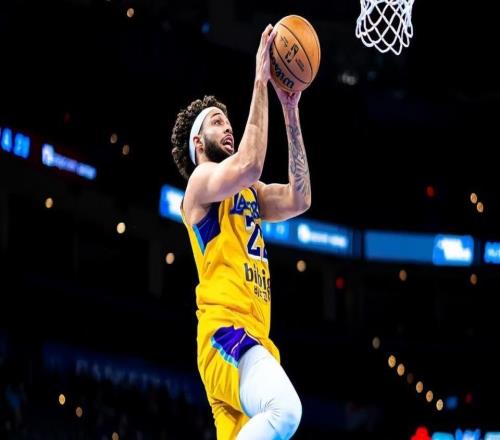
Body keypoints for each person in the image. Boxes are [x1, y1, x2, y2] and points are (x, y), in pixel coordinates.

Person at [170, 24, 311, 440]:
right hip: (225, 333)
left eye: (228, 120)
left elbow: (300, 198)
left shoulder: (251, 192)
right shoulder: (200, 184)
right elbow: (250, 163)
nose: (228, 126)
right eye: (218, 122)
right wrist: (260, 80)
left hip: (254, 340)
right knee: (285, 410)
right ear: (199, 142)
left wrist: (290, 110)